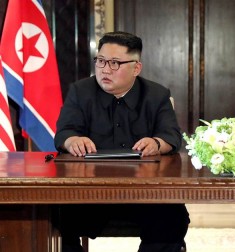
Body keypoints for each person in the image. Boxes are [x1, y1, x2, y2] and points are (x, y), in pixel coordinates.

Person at [54, 31, 189, 252]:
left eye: (115, 63)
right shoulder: (80, 92)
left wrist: (156, 143)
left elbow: (172, 136)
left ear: (136, 68)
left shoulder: (157, 95)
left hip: (144, 194)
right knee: (51, 215)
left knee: (172, 217)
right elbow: (63, 133)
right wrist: (72, 141)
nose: (105, 69)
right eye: (100, 61)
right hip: (88, 193)